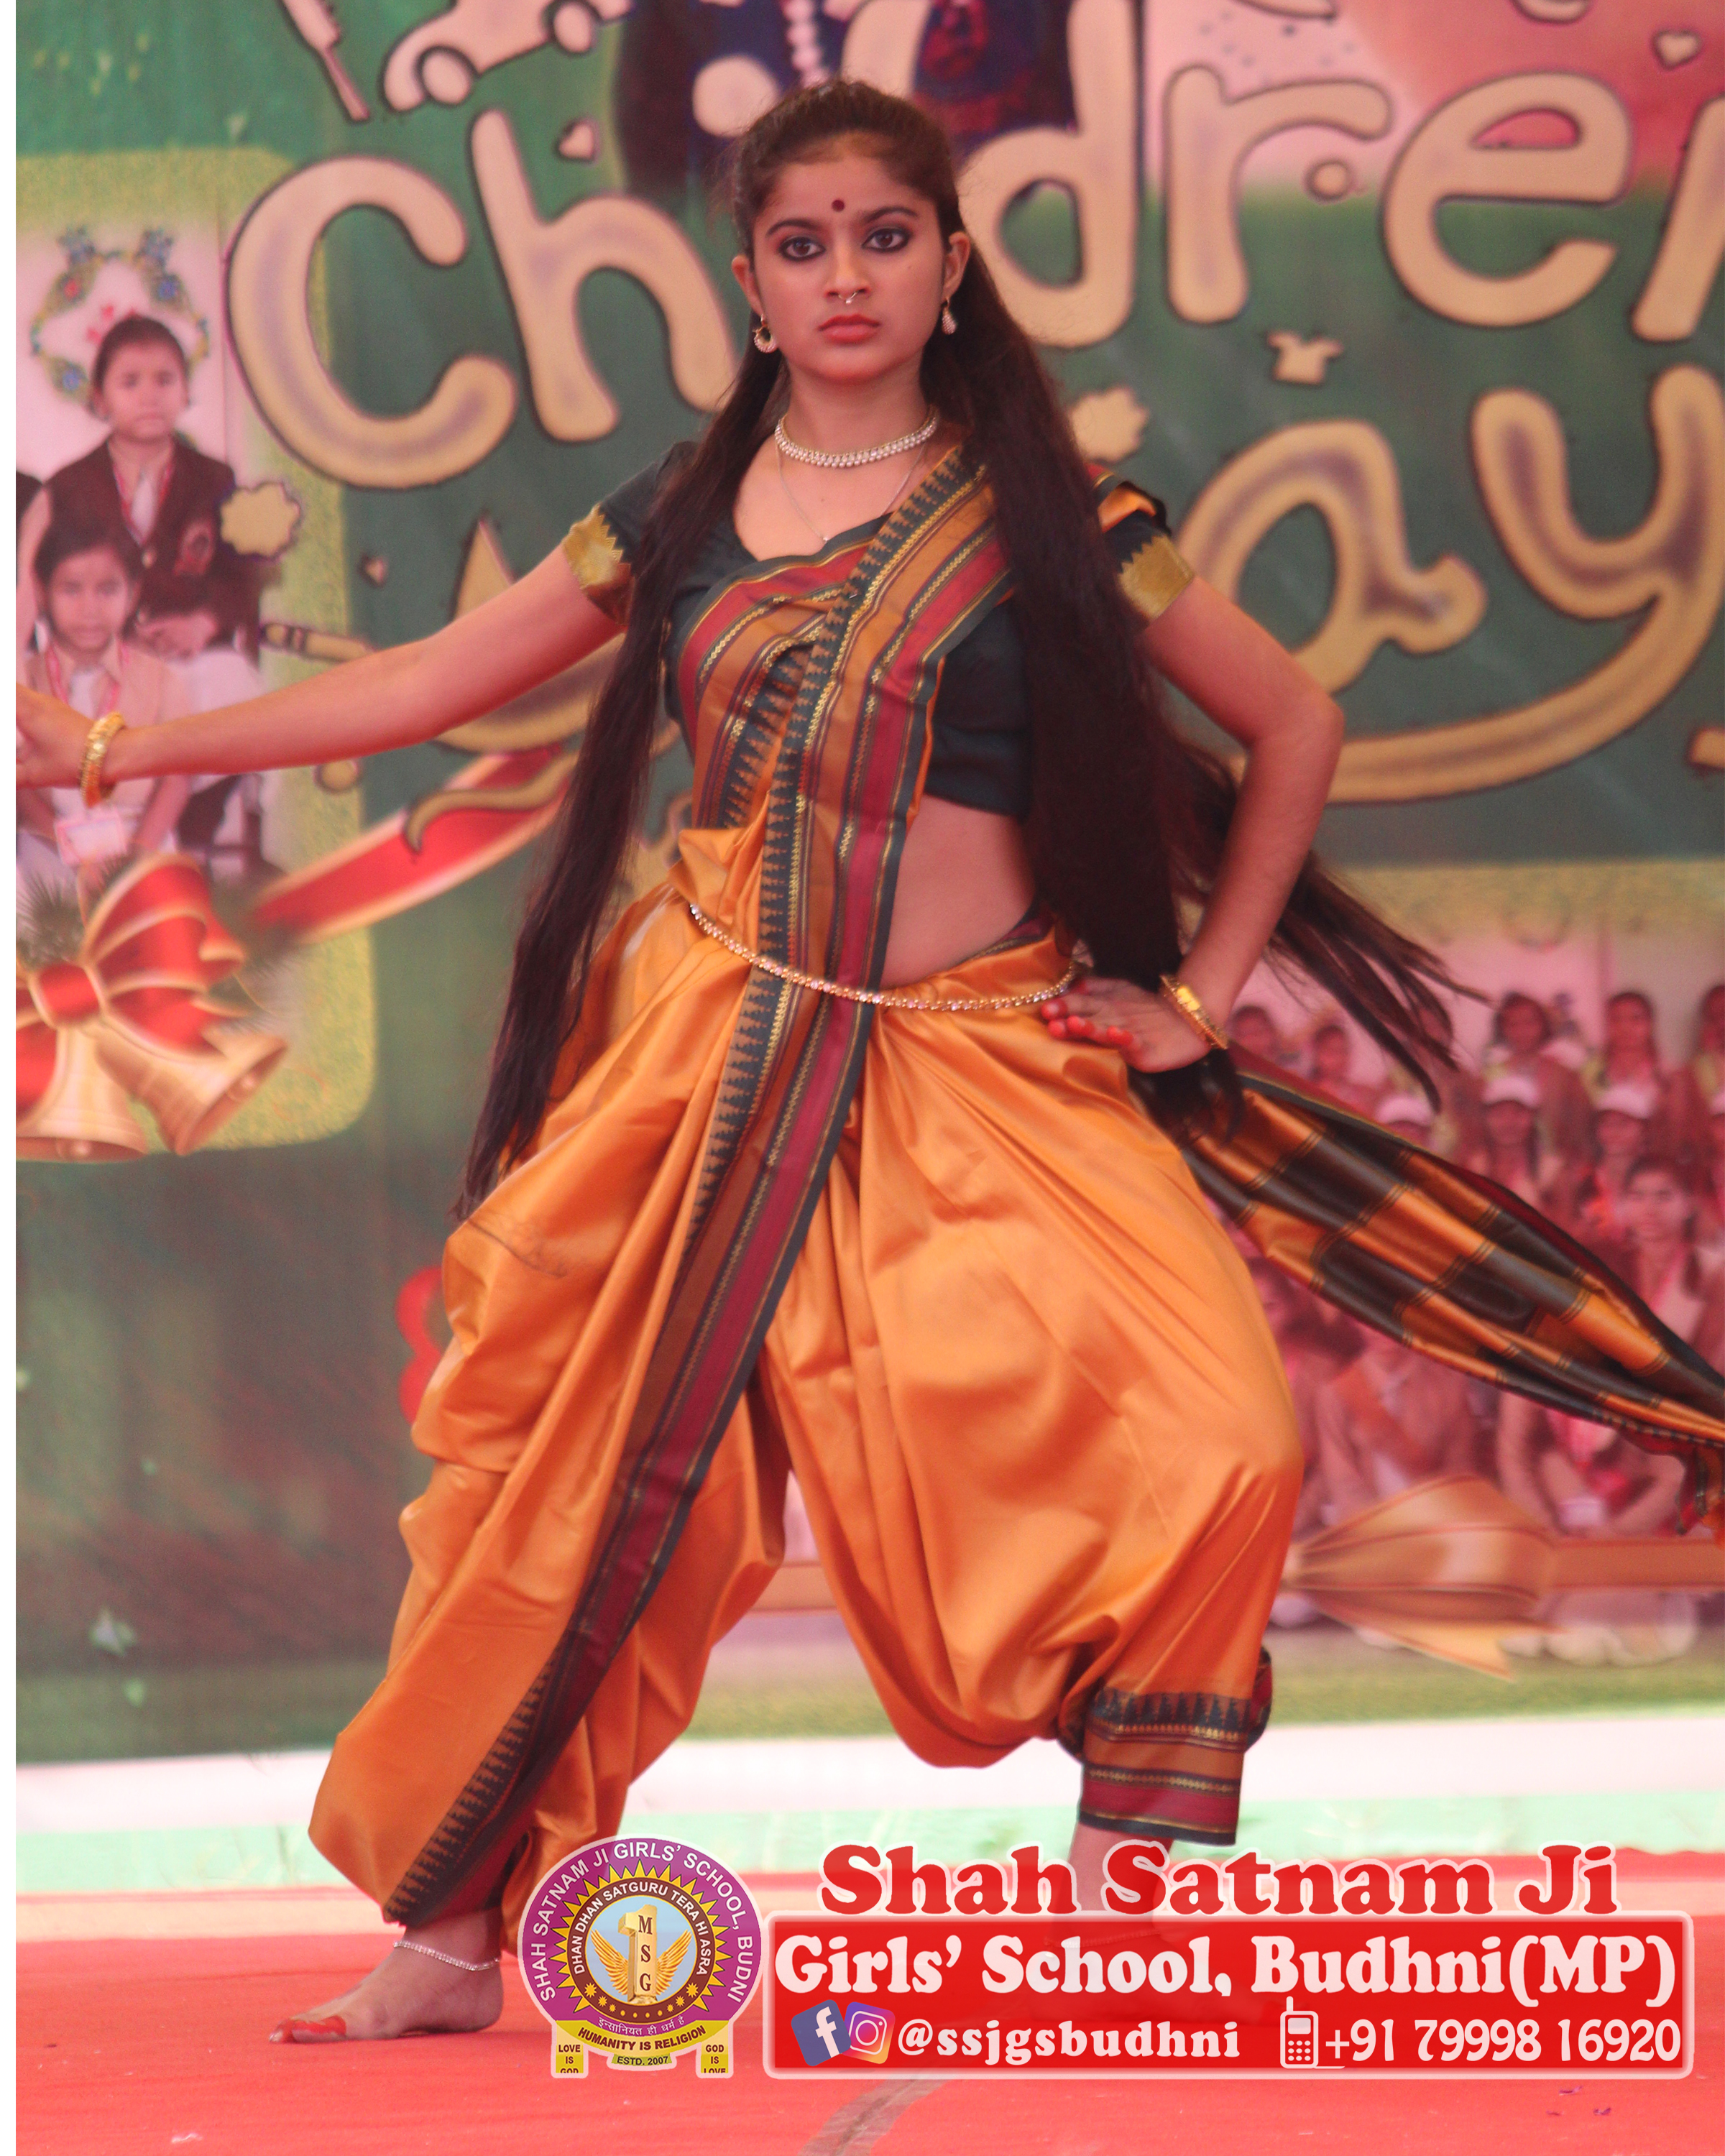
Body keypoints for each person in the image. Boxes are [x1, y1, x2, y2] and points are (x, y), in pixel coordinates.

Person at [11, 83, 1578, 2045]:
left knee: (1230, 1440)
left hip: (989, 1058)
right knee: (586, 1494)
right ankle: (452, 1931)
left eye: (884, 236)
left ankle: (1124, 1900)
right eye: (803, 242)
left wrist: (1197, 995)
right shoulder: (675, 514)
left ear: (951, 266)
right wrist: (120, 746)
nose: (846, 274)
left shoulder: (1061, 521)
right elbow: (424, 682)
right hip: (717, 1048)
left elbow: (1294, 723)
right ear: (750, 283)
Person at [17, 314, 270, 875]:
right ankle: (88, 847)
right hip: (99, 657)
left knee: (227, 693)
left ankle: (193, 836)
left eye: (165, 380)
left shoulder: (214, 479)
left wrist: (203, 623)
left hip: (190, 656)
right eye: (130, 382)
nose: (149, 396)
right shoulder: (70, 483)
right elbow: (44, 579)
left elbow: (242, 577)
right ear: (100, 398)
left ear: (185, 391)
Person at [15, 516, 190, 906]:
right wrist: (76, 857)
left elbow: (177, 779)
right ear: (42, 592)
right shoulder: (24, 682)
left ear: (133, 593)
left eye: (108, 590)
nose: (89, 609)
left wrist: (137, 854)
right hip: (50, 841)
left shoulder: (160, 680)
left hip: (140, 836)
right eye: (71, 590)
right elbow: (18, 783)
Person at [1483, 990, 1592, 1171]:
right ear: (1503, 1028)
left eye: (1530, 1023)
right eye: (1514, 1024)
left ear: (1543, 1025)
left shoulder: (1565, 1075)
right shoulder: (1490, 1076)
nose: (1522, 1031)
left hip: (1557, 1167)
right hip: (1507, 1167)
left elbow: (1582, 1126)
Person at [1464, 1071, 1567, 1216]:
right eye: (1499, 1114)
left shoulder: (1551, 1171)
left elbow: (1565, 1224)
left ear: (1533, 1116)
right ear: (1486, 1117)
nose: (1508, 1123)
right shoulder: (1475, 1167)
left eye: (1518, 1113)